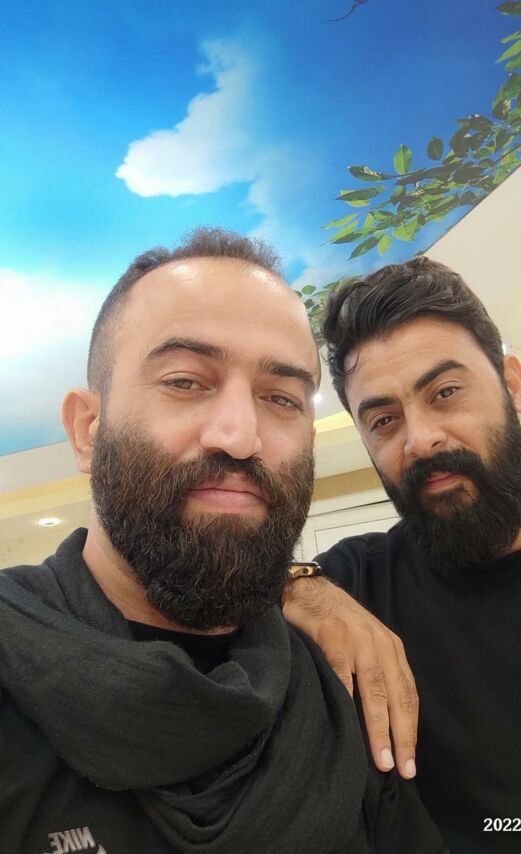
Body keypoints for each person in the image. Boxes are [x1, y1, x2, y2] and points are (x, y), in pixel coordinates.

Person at [0, 231, 448, 854]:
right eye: (186, 381)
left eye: (282, 398)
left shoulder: (338, 687)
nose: (240, 436)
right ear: (87, 430)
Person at [284, 256, 521, 853]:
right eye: (384, 419)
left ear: (513, 385)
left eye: (446, 392)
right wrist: (299, 583)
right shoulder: (353, 587)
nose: (421, 439)